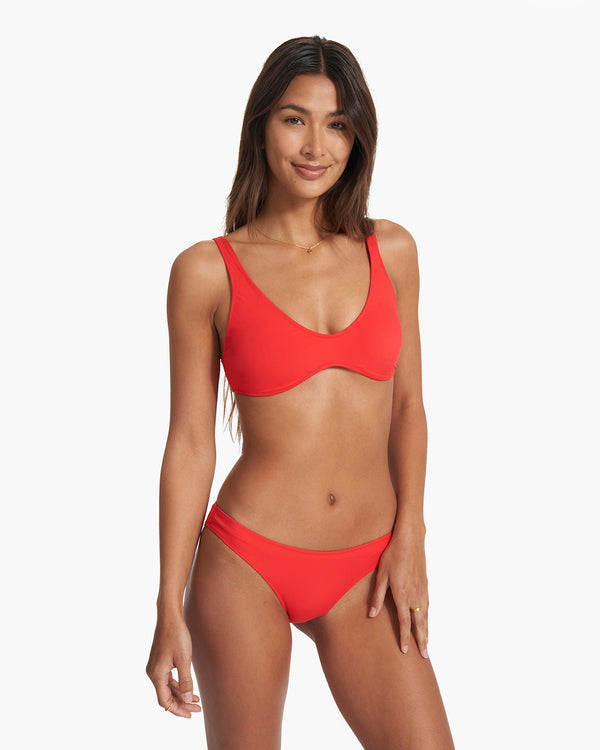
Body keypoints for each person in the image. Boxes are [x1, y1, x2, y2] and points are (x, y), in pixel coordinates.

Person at [146, 35, 455, 750]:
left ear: (358, 137)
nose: (316, 145)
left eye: (337, 124)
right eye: (295, 119)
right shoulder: (206, 272)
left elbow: (408, 406)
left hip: (367, 567)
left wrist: (412, 535)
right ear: (261, 126)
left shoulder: (392, 251)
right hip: (247, 562)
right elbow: (189, 442)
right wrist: (167, 604)